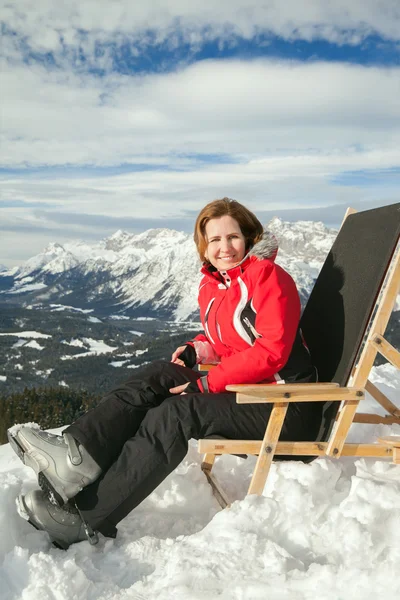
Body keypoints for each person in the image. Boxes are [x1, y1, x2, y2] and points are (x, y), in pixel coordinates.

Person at [8, 197, 319, 549]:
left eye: (232, 237)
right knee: (158, 374)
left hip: (286, 405)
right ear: (204, 246)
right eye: (215, 240)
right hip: (249, 393)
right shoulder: (218, 285)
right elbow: (231, 340)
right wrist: (197, 349)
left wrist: (206, 383)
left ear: (248, 237)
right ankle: (75, 456)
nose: (224, 248)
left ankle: (88, 518)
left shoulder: (269, 278)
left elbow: (270, 350)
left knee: (176, 414)